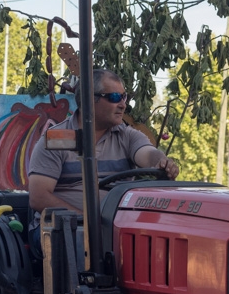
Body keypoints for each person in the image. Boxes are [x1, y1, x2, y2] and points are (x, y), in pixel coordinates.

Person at [27, 69, 179, 246]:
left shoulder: (128, 137)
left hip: (114, 228)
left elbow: (148, 154)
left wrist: (161, 161)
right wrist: (89, 221)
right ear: (90, 100)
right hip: (62, 229)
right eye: (115, 97)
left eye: (125, 97)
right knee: (80, 242)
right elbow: (38, 198)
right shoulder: (56, 140)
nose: (123, 105)